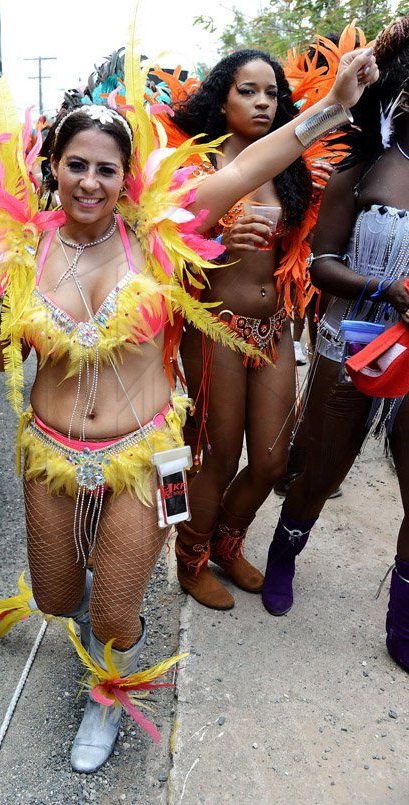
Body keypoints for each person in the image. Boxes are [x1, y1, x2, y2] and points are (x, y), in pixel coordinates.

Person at [0, 40, 376, 772]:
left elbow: (244, 168)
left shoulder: (157, 234)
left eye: (106, 168)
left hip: (143, 455)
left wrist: (332, 106)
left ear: (126, 176)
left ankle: (108, 684)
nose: (89, 181)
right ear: (53, 167)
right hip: (48, 450)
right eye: (75, 164)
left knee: (112, 609)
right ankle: (91, 606)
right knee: (54, 598)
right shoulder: (18, 252)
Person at [261, 16, 409, 675]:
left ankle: (402, 618)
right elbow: (321, 264)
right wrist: (388, 288)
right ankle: (285, 552)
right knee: (322, 467)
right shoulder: (368, 169)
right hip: (353, 339)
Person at [163, 49, 333, 610]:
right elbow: (161, 256)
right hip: (215, 328)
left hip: (274, 326)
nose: (262, 102)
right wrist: (215, 248)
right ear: (221, 97)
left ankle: (224, 542)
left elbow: (298, 248)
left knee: (270, 459)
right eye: (247, 91)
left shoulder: (289, 168)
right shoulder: (194, 166)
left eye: (271, 93)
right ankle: (190, 557)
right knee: (215, 455)